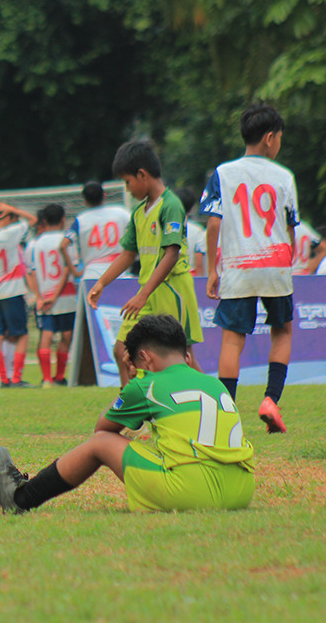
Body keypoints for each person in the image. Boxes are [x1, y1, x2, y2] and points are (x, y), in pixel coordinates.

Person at [0, 314, 255, 514]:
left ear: (144, 357)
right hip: (241, 492)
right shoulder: (213, 383)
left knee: (100, 444)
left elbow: (103, 429)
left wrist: (131, 382)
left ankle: (21, 498)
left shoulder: (146, 384)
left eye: (136, 364)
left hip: (191, 493)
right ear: (185, 355)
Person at [200, 102, 297, 433]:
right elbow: (290, 226)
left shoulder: (222, 173)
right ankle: (271, 400)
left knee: (232, 341)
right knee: (282, 331)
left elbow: (214, 223)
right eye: (280, 137)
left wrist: (213, 269)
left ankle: (226, 415)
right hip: (276, 266)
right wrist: (289, 261)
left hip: (239, 267)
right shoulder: (284, 176)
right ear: (270, 138)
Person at [88, 140, 203, 388]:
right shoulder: (139, 212)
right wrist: (101, 283)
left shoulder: (171, 206)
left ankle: (216, 406)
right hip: (147, 294)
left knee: (182, 359)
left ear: (142, 175)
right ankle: (131, 416)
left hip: (172, 291)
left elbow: (172, 254)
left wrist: (143, 294)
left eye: (128, 182)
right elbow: (128, 254)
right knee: (122, 351)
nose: (127, 189)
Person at [0, 203, 37, 387]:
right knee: (21, 334)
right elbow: (33, 220)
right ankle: (16, 377)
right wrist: (14, 210)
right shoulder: (11, 232)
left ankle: (3, 377)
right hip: (12, 290)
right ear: (5, 217)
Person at [25, 204, 76, 387]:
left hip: (44, 295)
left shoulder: (35, 243)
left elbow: (30, 272)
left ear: (44, 221)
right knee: (67, 334)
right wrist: (55, 296)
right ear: (63, 219)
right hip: (66, 295)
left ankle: (46, 379)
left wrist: (38, 296)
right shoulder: (67, 239)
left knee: (46, 334)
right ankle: (60, 376)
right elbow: (67, 269)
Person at [61, 180, 131, 281]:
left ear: (84, 200)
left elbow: (63, 245)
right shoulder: (121, 212)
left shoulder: (80, 220)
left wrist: (75, 272)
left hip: (92, 274)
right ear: (104, 195)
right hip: (118, 271)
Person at [176, 186, 206, 276]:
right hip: (190, 277)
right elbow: (199, 261)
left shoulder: (169, 228)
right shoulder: (198, 231)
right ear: (192, 207)